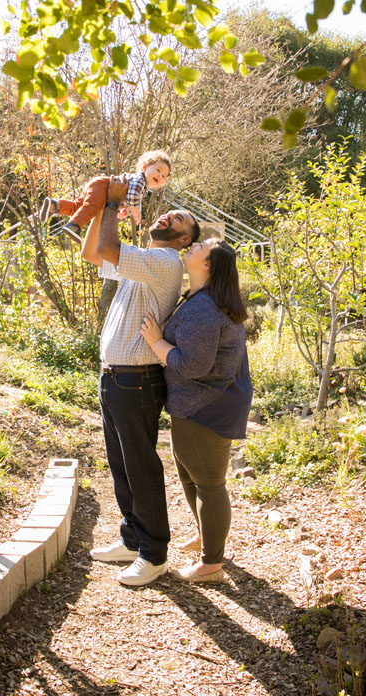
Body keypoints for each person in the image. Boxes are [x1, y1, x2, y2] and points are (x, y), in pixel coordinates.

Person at [81, 178, 200, 586]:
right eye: (172, 211)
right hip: (114, 378)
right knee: (121, 465)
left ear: (183, 239)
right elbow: (92, 253)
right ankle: (133, 540)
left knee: (140, 466)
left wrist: (115, 203)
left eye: (178, 219)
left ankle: (154, 554)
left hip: (137, 381)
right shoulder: (143, 260)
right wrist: (100, 205)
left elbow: (109, 249)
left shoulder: (165, 263)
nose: (169, 215)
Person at [140, 238, 253, 584]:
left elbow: (193, 366)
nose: (192, 246)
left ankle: (212, 564)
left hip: (208, 408)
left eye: (200, 247)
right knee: (191, 477)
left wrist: (156, 342)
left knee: (209, 484)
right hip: (197, 405)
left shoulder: (205, 309)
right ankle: (209, 535)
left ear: (208, 265)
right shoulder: (199, 299)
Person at [41, 150, 171, 244]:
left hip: (100, 186)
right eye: (158, 170)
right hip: (102, 187)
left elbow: (125, 197)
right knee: (91, 208)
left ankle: (55, 206)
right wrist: (136, 213)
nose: (160, 176)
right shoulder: (140, 179)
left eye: (163, 176)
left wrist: (122, 209)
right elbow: (132, 196)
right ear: (145, 167)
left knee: (79, 208)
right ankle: (74, 226)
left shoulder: (142, 186)